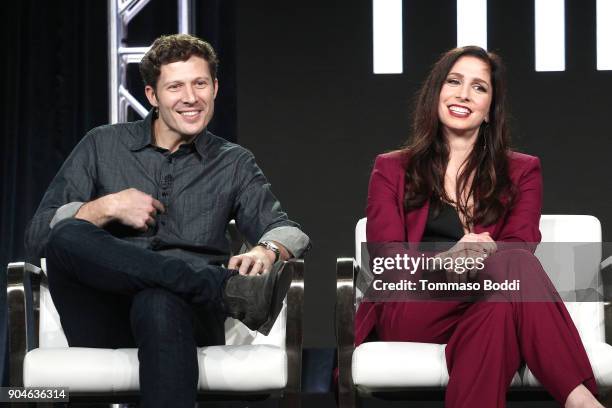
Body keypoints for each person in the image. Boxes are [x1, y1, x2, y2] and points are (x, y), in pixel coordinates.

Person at [24, 34, 310, 408]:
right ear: (152, 95)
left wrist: (268, 248)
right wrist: (104, 207)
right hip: (102, 311)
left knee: (159, 300)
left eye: (200, 83)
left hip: (185, 315)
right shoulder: (101, 144)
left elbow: (288, 229)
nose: (191, 97)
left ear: (215, 87)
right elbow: (38, 234)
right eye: (175, 86)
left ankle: (200, 287)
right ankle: (218, 285)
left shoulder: (233, 161)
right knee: (67, 233)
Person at [354, 46, 602, 408]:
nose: (463, 94)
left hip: (489, 296)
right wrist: (446, 260)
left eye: (479, 87)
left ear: (490, 110)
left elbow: (520, 244)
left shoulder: (522, 170)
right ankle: (580, 397)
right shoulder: (392, 168)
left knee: (502, 301)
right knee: (511, 267)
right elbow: (386, 262)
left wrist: (482, 261)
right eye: (454, 82)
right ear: (436, 93)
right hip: (414, 307)